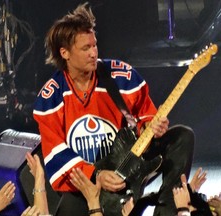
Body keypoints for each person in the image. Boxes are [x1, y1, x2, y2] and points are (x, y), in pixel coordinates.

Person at [33, 2, 194, 215]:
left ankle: (168, 211)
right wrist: (97, 174)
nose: (93, 53)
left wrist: (151, 126)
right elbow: (56, 155)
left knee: (182, 136)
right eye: (85, 48)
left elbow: (146, 115)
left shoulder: (122, 77)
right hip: (86, 183)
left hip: (128, 165)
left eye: (94, 45)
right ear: (65, 53)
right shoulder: (51, 97)